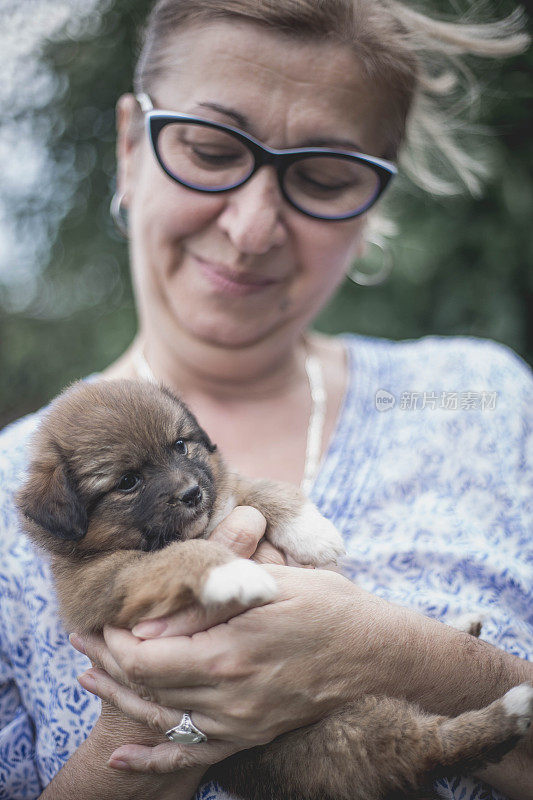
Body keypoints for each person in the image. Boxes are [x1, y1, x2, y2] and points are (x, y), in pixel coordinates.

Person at [0, 1, 531, 798]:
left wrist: (401, 656)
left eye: (322, 176)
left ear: (373, 200)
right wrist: (163, 721)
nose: (251, 228)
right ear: (129, 146)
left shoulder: (482, 399)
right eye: (211, 151)